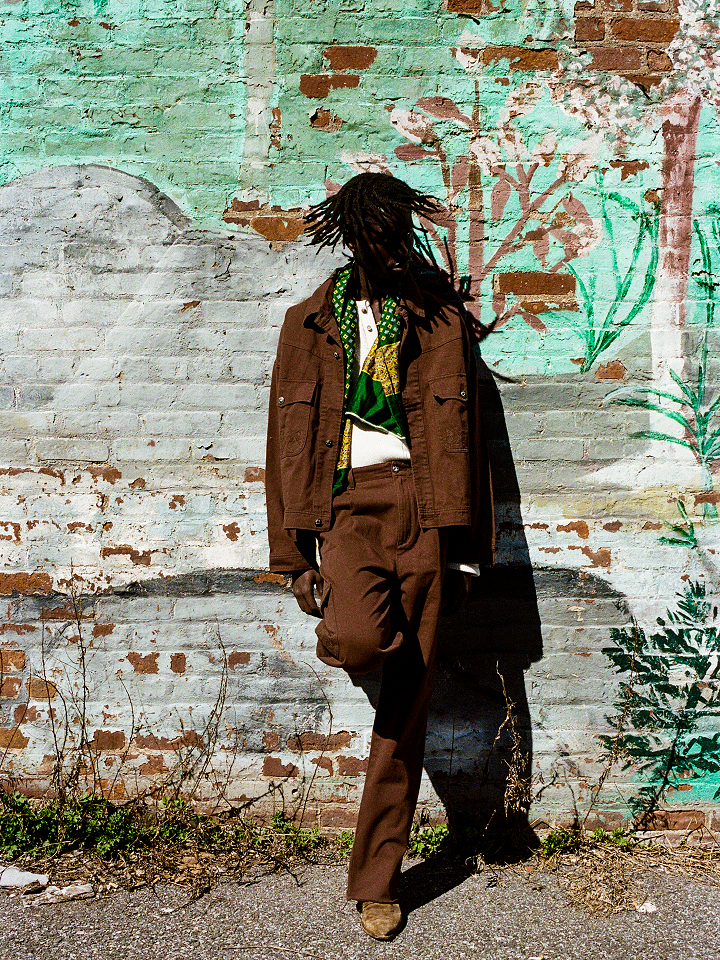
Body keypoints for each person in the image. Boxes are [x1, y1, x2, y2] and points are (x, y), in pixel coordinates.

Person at [265, 172, 493, 941]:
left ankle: (377, 879)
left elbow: (477, 448)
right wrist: (295, 559)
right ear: (351, 237)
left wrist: (466, 555)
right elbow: (282, 450)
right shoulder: (306, 325)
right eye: (373, 235)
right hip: (347, 509)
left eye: (396, 235)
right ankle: (354, 632)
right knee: (361, 639)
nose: (385, 249)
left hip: (427, 511)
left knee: (406, 709)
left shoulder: (439, 324)